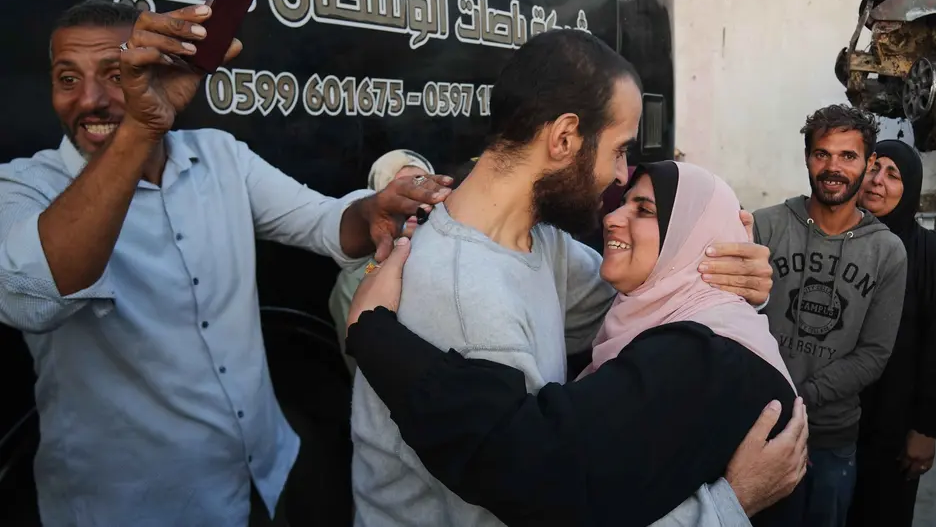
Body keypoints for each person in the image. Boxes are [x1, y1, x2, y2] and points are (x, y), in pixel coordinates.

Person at [0, 0, 448, 526]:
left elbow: (323, 222)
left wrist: (372, 210)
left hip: (262, 477)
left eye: (116, 73)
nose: (90, 99)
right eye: (67, 78)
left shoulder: (219, 155)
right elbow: (32, 294)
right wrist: (139, 130)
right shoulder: (24, 186)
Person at [349, 29, 785, 527]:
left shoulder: (541, 243)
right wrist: (729, 506)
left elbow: (647, 302)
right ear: (564, 138)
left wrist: (716, 270)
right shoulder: (467, 298)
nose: (621, 175)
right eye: (619, 150)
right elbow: (538, 500)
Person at [344, 161, 810, 526]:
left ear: (697, 240)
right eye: (623, 201)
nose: (613, 215)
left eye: (644, 210)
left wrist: (376, 335)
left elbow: (534, 464)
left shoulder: (700, 357)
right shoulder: (694, 323)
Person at [753, 104, 909, 527]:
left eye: (848, 156)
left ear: (869, 163)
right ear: (807, 157)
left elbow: (874, 353)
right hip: (754, 428)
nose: (833, 168)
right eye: (822, 154)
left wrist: (801, 396)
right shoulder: (764, 228)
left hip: (831, 439)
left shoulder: (887, 251)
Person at [847, 140, 936, 527]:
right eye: (872, 168)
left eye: (892, 174)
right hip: (827, 418)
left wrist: (926, 428)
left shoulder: (930, 253)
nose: (876, 181)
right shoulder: (836, 240)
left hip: (892, 423)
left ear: (910, 188)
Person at [327, 148, 436, 368]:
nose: (414, 205)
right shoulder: (357, 279)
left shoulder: (449, 256)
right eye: (401, 195)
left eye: (422, 189)